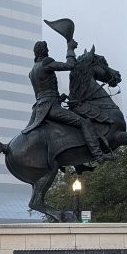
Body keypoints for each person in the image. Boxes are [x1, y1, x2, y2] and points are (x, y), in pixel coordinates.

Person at [23, 19, 111, 162]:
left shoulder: (32, 71)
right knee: (84, 122)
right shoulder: (46, 63)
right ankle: (98, 155)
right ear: (43, 51)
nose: (48, 51)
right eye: (46, 50)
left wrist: (59, 98)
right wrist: (70, 48)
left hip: (41, 108)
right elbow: (70, 65)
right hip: (51, 107)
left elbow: (43, 94)